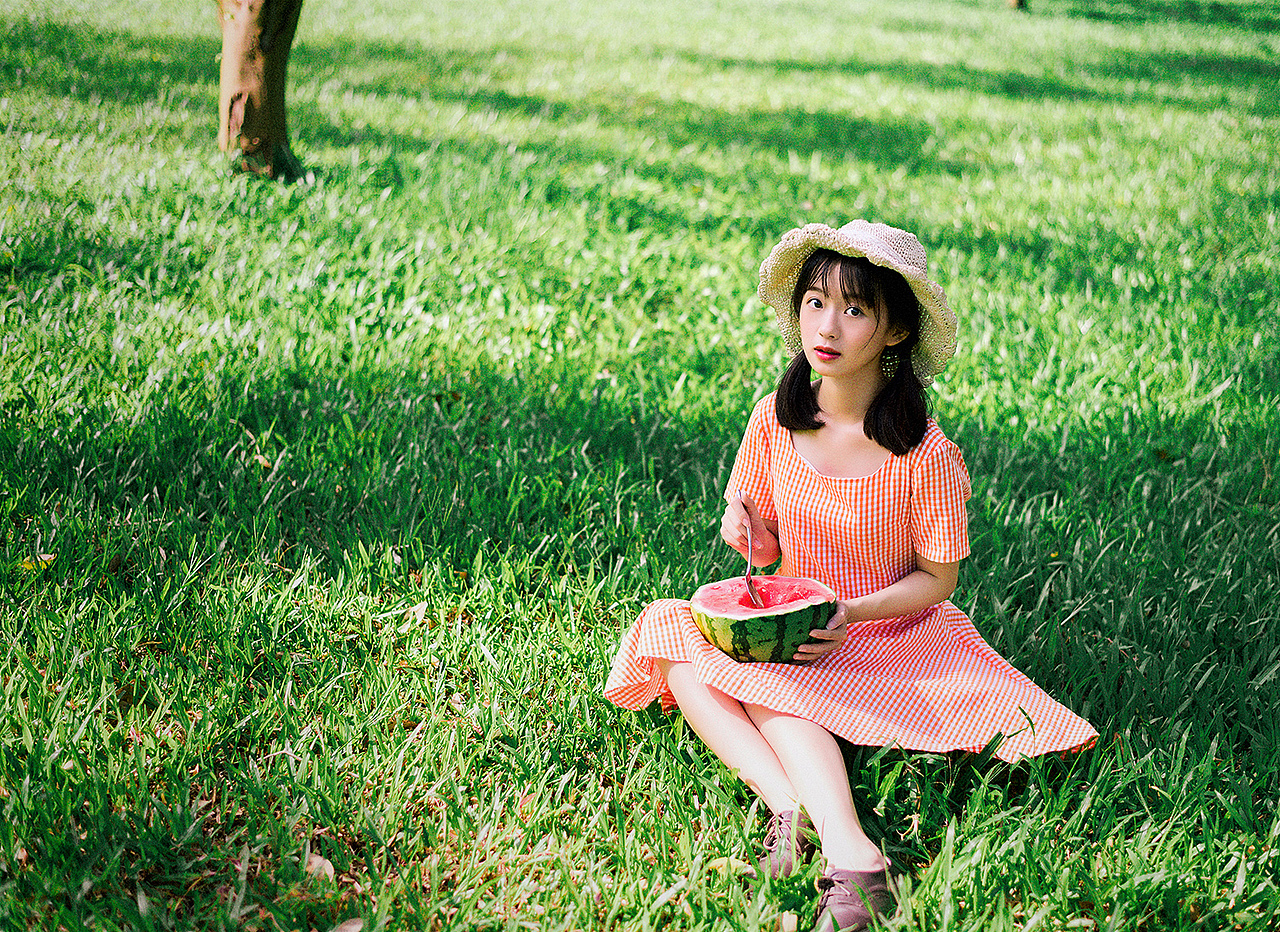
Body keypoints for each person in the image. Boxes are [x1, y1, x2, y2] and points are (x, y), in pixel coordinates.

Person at [604, 220, 1098, 932]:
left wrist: (850, 615)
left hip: (892, 633)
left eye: (855, 308)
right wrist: (749, 533)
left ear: (894, 332)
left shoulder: (924, 453)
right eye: (814, 302)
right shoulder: (773, 422)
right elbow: (770, 561)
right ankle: (788, 806)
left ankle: (856, 853)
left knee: (773, 680)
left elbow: (938, 579)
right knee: (670, 631)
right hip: (799, 629)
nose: (826, 325)